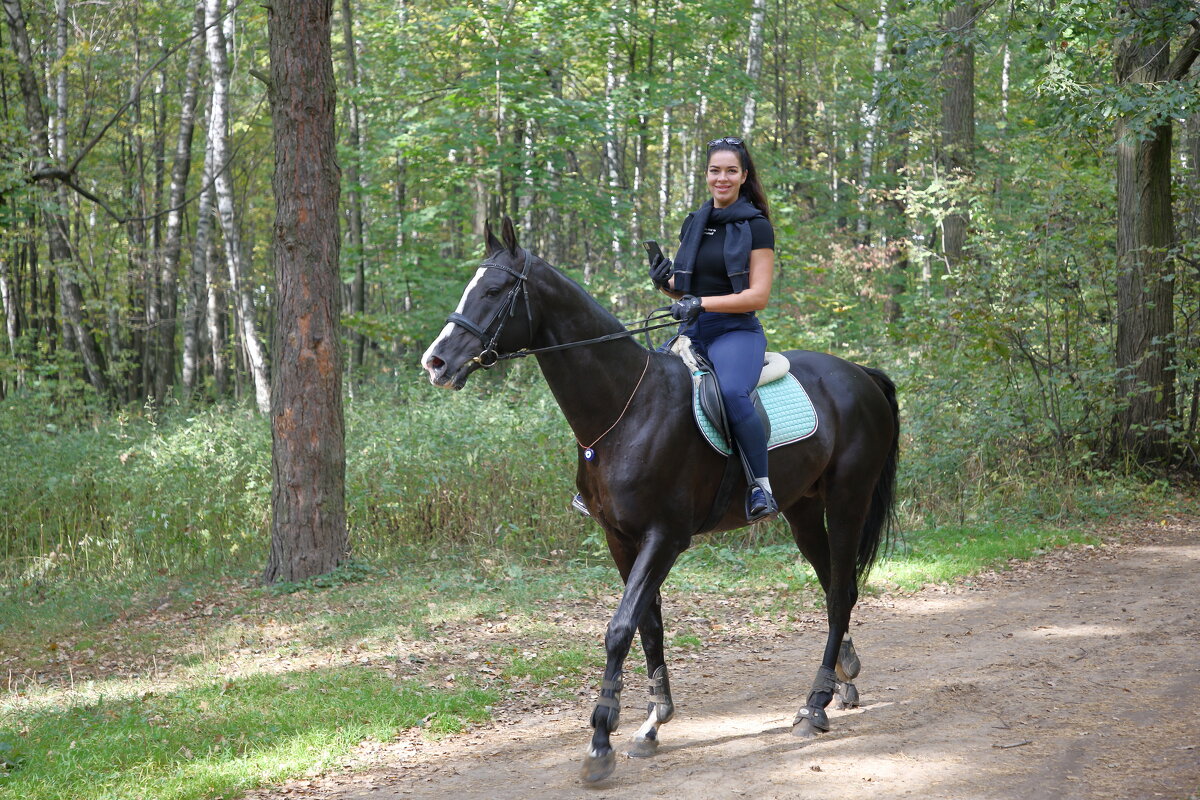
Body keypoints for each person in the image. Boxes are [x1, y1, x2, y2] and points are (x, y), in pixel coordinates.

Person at [650, 136, 778, 522]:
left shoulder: (757, 227)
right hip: (693, 329)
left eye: (730, 171)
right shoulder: (695, 222)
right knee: (643, 388)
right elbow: (688, 288)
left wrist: (701, 303)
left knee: (732, 392)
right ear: (706, 174)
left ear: (744, 176)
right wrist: (662, 281)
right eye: (714, 170)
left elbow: (757, 296)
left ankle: (760, 487)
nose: (721, 178)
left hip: (735, 331)